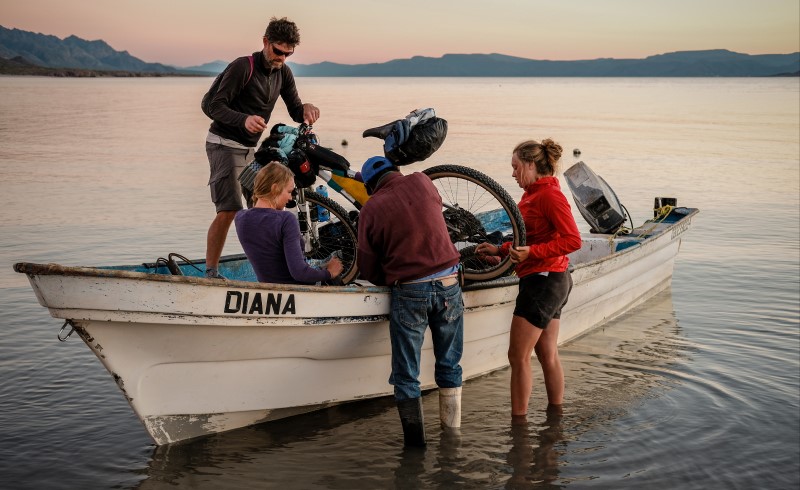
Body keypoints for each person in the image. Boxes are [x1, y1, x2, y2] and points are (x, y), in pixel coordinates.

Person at [356, 156, 464, 447]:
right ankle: (452, 439)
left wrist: (387, 275)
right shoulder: (421, 180)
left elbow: (368, 269)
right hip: (449, 285)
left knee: (406, 375)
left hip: (410, 290)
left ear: (369, 186)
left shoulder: (371, 208)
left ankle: (415, 449)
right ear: (395, 171)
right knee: (450, 365)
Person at [203, 17, 320, 279]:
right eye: (278, 51)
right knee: (229, 208)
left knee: (266, 203)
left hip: (248, 151)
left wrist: (307, 109)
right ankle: (211, 272)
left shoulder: (283, 73)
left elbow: (294, 108)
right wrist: (243, 119)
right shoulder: (243, 67)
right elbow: (214, 107)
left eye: (288, 54)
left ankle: (277, 269)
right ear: (265, 41)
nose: (282, 58)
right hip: (224, 145)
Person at [476, 139, 581, 420]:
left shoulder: (549, 196)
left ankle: (518, 426)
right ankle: (555, 419)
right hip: (552, 279)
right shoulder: (533, 194)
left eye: (515, 167)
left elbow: (573, 239)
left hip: (544, 281)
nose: (512, 174)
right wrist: (499, 249)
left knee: (517, 357)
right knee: (547, 355)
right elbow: (529, 238)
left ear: (531, 164)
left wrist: (533, 252)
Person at [235, 162, 342, 284]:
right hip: (297, 291)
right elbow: (300, 273)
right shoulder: (285, 219)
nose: (291, 198)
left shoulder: (240, 218)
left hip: (269, 290)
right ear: (275, 188)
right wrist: (329, 273)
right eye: (289, 191)